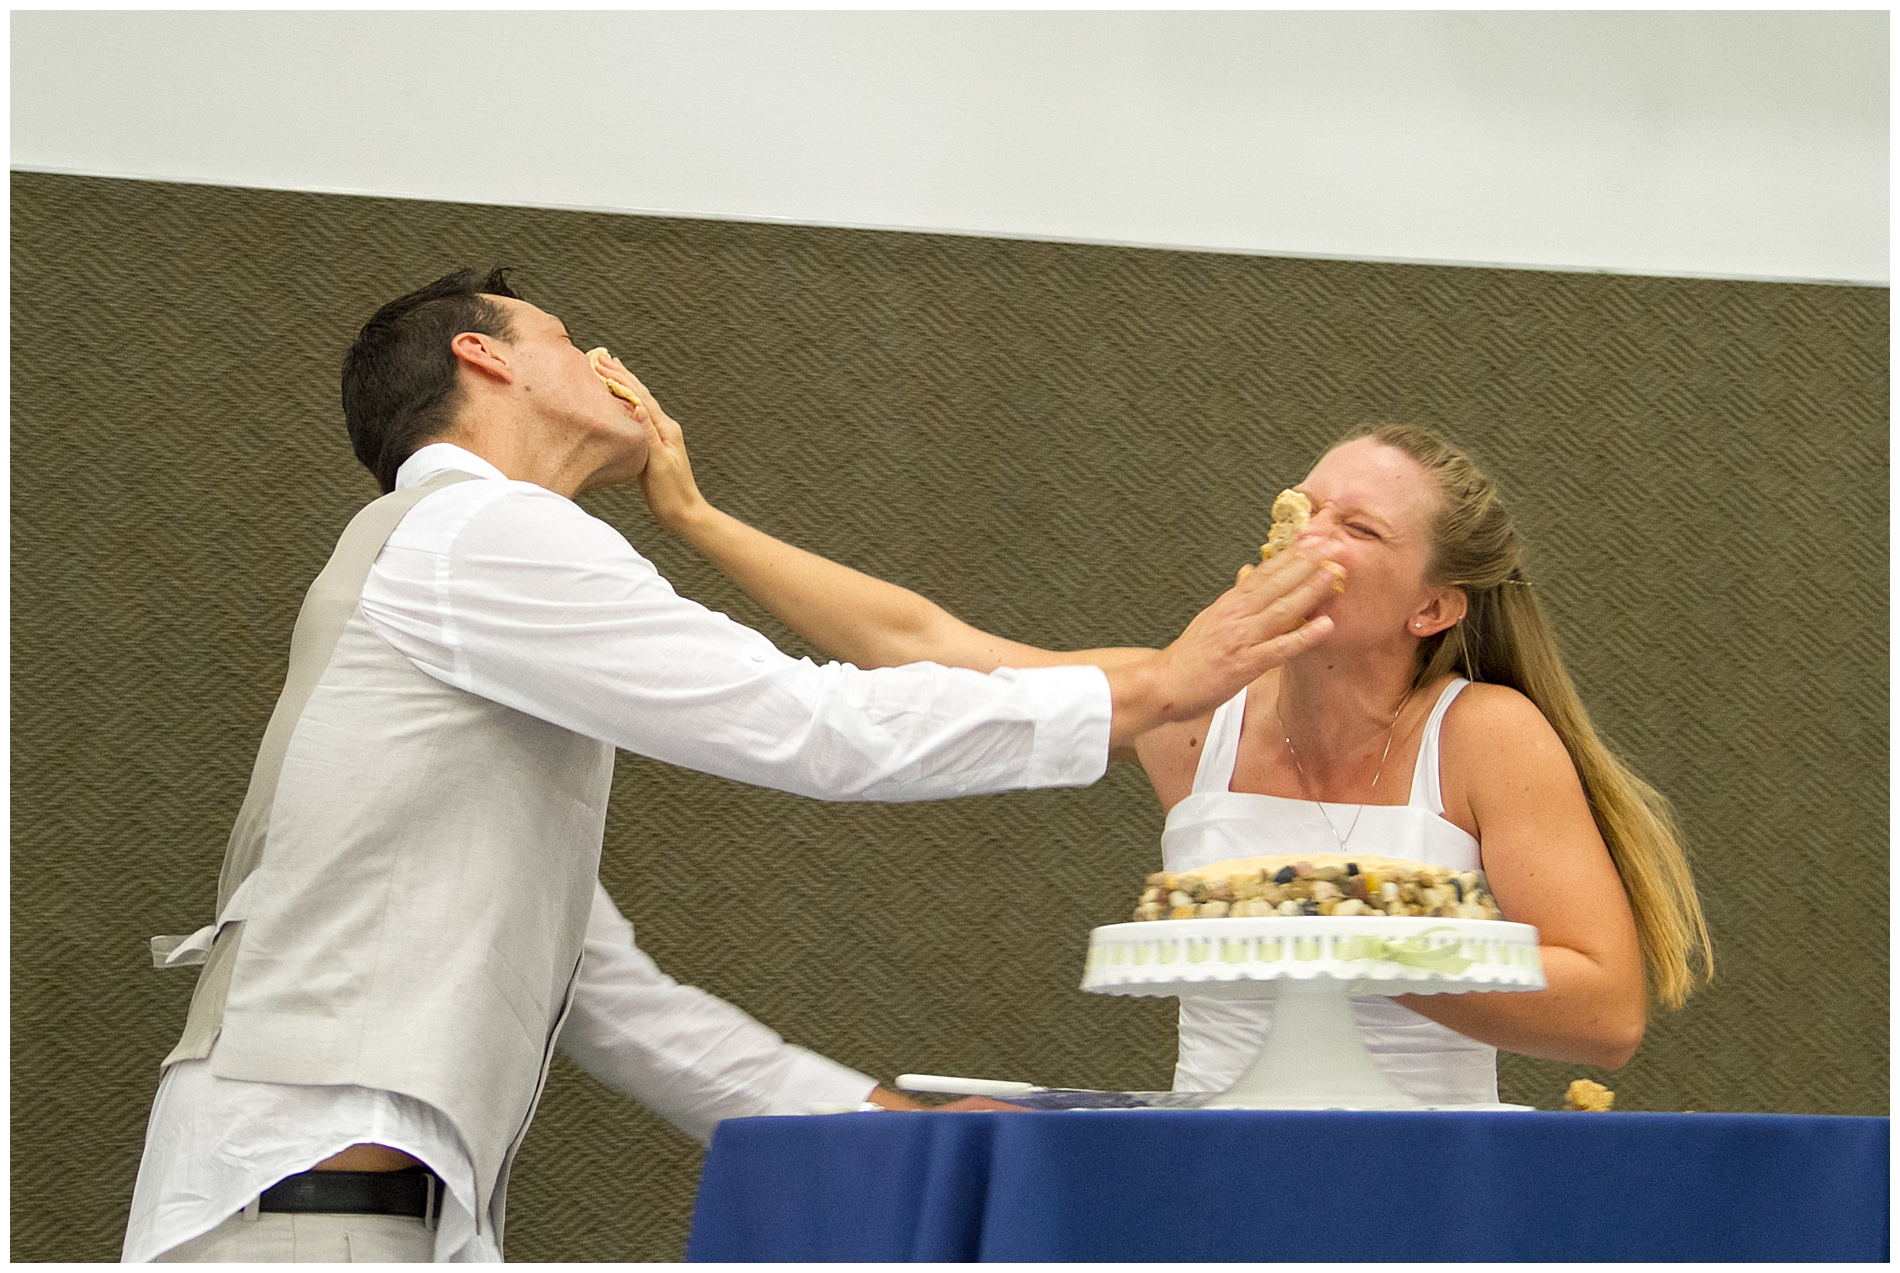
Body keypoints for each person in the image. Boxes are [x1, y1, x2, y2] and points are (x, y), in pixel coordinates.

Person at [125, 267, 1343, 1262]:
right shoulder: (484, 530)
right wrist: (1166, 685)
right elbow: (813, 728)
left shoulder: (457, 569)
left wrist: (878, 1125)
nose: (608, 365)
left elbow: (611, 998)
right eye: (569, 339)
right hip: (298, 1218)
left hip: (325, 1206)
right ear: (483, 359)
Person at [627, 393, 1714, 1103]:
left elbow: (1605, 1012)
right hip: (1208, 1182)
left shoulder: (1483, 735)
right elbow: (923, 642)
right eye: (1307, 505)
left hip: (1415, 1188)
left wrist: (1343, 940)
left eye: (1358, 529)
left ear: (1432, 607)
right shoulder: (1197, 714)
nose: (1306, 536)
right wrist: (695, 516)